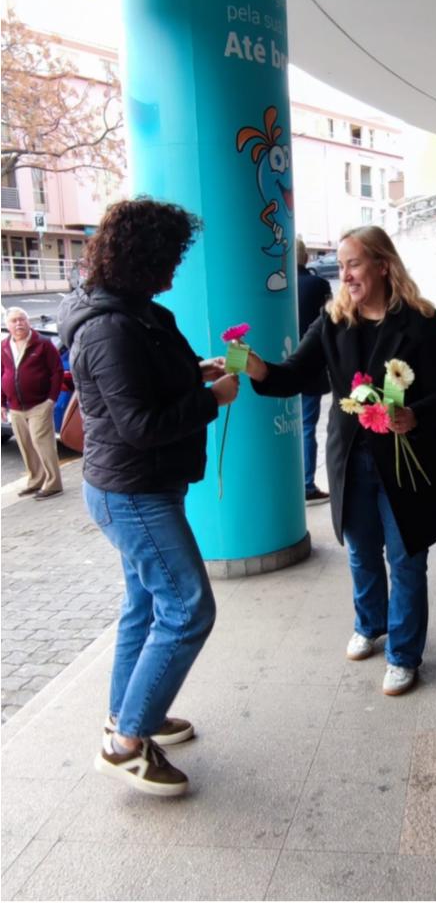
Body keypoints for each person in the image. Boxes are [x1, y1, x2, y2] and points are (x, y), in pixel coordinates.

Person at [58, 198, 239, 796]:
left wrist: (196, 373)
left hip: (145, 485)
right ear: (140, 259)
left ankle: (131, 713)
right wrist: (211, 400)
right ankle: (126, 744)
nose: (174, 269)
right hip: (133, 492)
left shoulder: (133, 311)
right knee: (188, 608)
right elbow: (139, 425)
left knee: (144, 606)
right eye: (168, 258)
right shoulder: (108, 327)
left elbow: (146, 386)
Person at [245, 225, 436, 696]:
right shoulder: (333, 321)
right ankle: (370, 623)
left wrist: (414, 416)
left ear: (383, 265)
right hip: (352, 460)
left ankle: (403, 654)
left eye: (354, 264)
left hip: (405, 461)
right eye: (341, 266)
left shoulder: (421, 321)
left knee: (406, 558)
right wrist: (257, 369)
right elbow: (293, 374)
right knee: (360, 552)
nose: (345, 275)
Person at [1, 307, 65, 499]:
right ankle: (36, 480)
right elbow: (2, 374)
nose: (19, 323)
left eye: (22, 319)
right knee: (25, 445)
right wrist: (2, 403)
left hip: (39, 404)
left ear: (28, 322)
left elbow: (57, 372)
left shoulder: (43, 344)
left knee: (42, 443)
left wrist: (51, 400)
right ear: (7, 325)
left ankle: (53, 484)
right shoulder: (4, 346)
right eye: (14, 321)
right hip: (15, 406)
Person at [296, 236, 332, 503]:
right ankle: (307, 484)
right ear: (305, 257)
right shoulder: (318, 284)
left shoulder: (277, 284)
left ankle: (294, 484)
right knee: (307, 426)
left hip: (283, 364)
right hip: (311, 369)